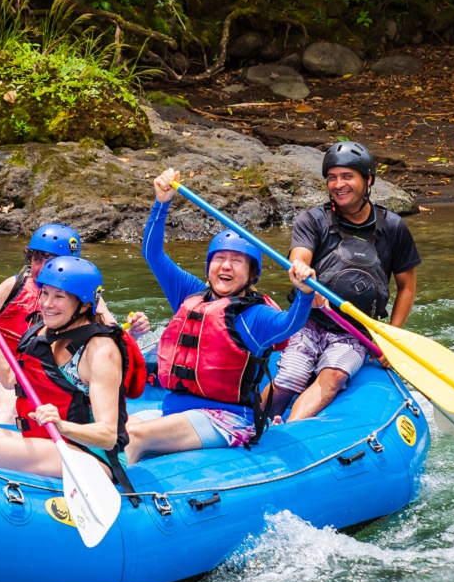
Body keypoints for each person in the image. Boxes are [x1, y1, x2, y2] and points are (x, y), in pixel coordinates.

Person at [126, 167, 317, 461]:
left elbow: (290, 324)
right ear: (208, 267)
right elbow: (153, 254)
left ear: (252, 274)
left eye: (237, 261)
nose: (226, 266)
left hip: (228, 419)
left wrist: (304, 293)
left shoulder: (256, 315)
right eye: (219, 259)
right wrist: (161, 202)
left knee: (134, 437)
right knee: (113, 431)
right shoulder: (189, 294)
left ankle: (119, 501)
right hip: (178, 409)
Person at [267, 140, 421, 422]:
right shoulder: (312, 220)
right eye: (332, 178)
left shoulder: (393, 227)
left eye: (348, 176)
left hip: (355, 331)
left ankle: (288, 433)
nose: (339, 185)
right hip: (308, 321)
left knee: (334, 376)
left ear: (368, 179)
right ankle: (249, 425)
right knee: (291, 376)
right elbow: (299, 257)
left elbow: (407, 287)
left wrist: (392, 340)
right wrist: (302, 273)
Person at [0, 257, 129, 480]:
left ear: (85, 304)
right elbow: (9, 378)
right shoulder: (43, 333)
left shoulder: (100, 351)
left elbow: (107, 435)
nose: (47, 304)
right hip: (48, 441)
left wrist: (62, 426)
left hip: (93, 455)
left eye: (59, 296)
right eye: (45, 293)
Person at [0, 223, 151, 422]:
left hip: (49, 371)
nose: (42, 267)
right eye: (37, 259)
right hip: (8, 370)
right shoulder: (15, 284)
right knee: (10, 406)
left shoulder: (83, 296)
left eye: (51, 261)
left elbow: (112, 333)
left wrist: (134, 331)